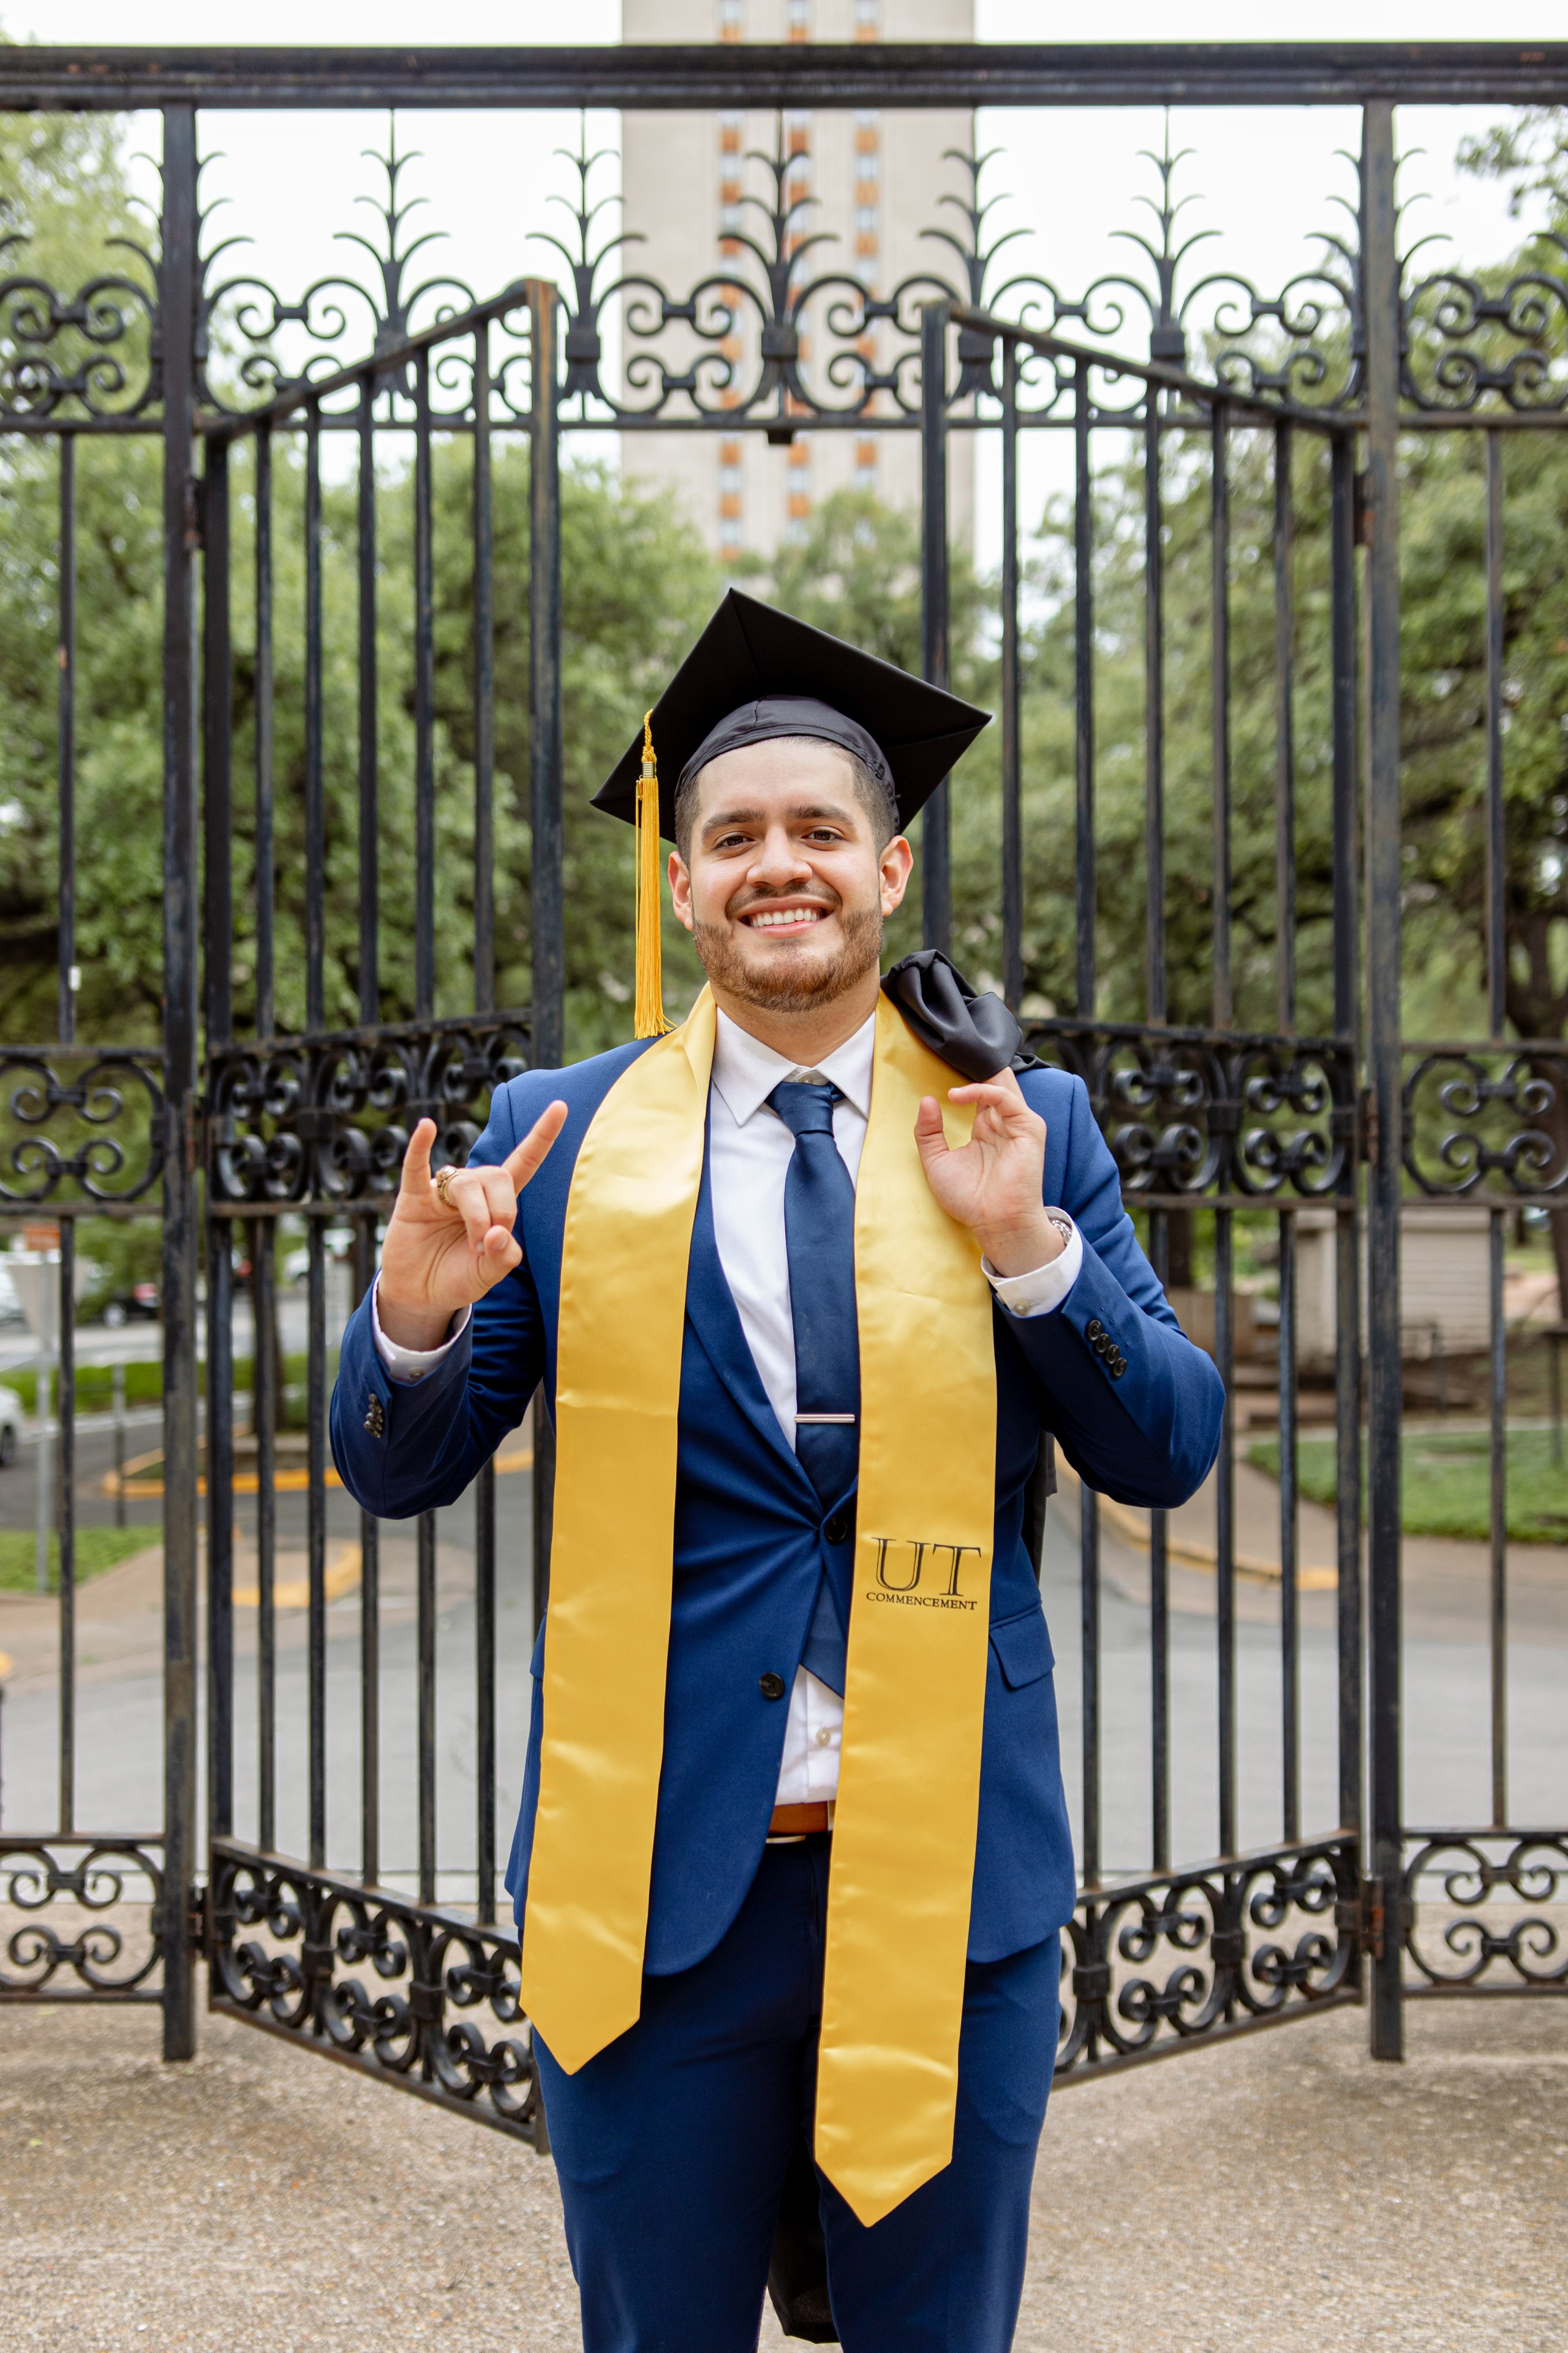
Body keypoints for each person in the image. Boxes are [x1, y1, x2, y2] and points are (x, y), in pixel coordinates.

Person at [331, 588, 1224, 2353]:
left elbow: (1169, 1443)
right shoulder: (558, 1133)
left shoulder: (1020, 1120)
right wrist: (415, 1323)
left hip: (953, 1871)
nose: (779, 863)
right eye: (733, 835)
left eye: (822, 829)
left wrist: (1030, 1245)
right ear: (682, 885)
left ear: (891, 870)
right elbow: (395, 1472)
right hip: (654, 1888)